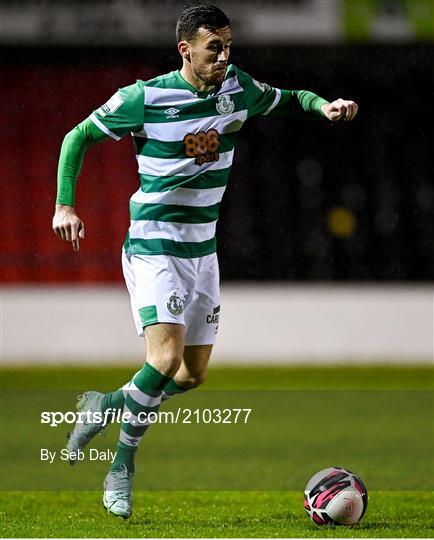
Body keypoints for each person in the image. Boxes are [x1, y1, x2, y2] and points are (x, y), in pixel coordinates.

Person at [52, 4, 358, 519]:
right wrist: (65, 204)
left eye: (228, 46)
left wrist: (324, 106)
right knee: (164, 359)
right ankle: (121, 467)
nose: (223, 56)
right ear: (185, 49)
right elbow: (76, 137)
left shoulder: (236, 89)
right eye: (213, 47)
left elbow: (289, 99)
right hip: (155, 243)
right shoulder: (144, 97)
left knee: (193, 376)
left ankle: (104, 405)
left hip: (203, 249)